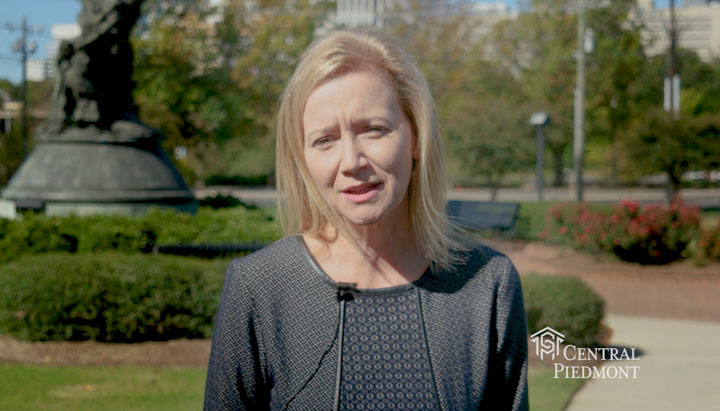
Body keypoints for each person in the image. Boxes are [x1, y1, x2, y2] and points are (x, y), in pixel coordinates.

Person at [204, 29, 528, 410]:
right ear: (302, 157)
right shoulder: (258, 287)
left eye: (373, 129)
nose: (351, 161)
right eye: (325, 139)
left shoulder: (486, 283)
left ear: (416, 138)